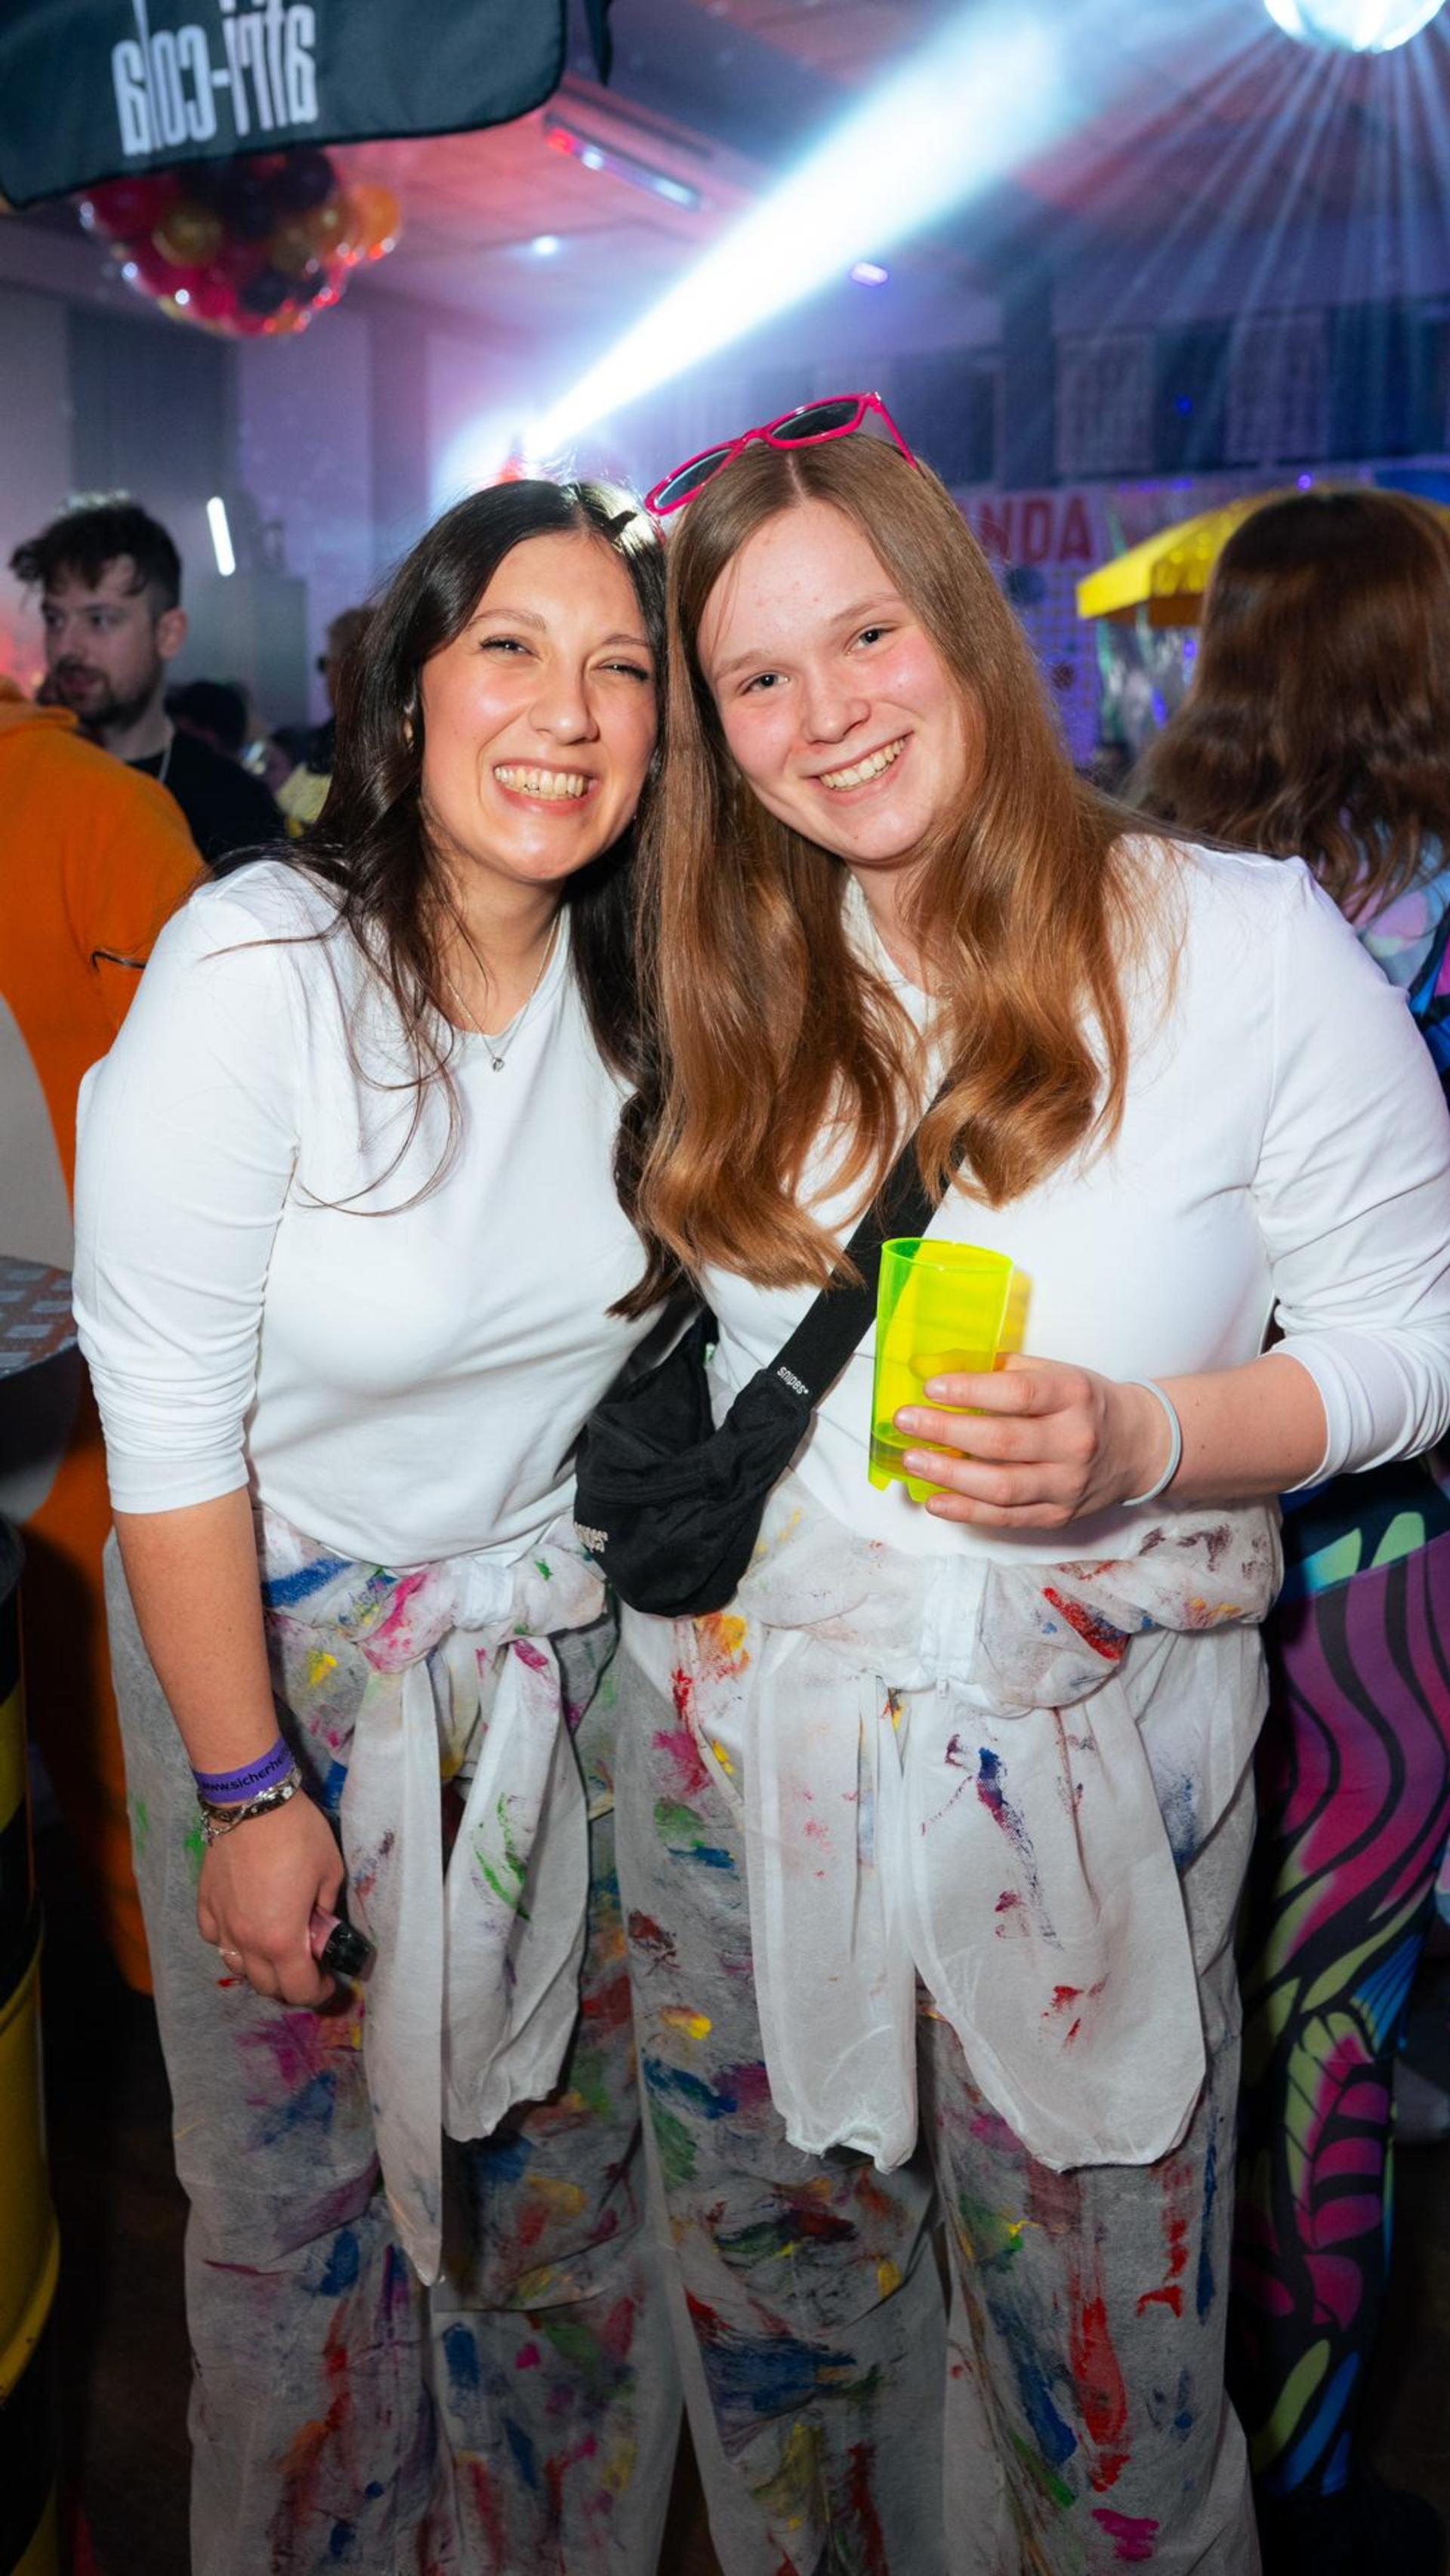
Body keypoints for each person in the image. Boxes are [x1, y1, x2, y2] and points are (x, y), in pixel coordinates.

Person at [608, 411, 1450, 2576]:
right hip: (739, 1802)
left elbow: (1418, 1334)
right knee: (795, 2366)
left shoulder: (1240, 943)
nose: (827, 714)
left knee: (1111, 2388)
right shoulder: (727, 971)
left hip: (1086, 1799)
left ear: (962, 625)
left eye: (866, 633)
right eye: (758, 679)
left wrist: (1149, 1437)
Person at [72, 480, 680, 2576]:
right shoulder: (261, 967)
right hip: (274, 1664)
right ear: (407, 690)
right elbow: (162, 1424)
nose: (568, 709)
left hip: (548, 1679)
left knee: (557, 2216)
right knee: (303, 2233)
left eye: (623, 665)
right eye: (510, 645)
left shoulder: (658, 1004)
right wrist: (253, 1791)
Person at [1128, 485, 1450, 2576]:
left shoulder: (1154, 915)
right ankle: (1296, 2494)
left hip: (1157, 1554)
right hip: (1381, 1588)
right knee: (1327, 2044)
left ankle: (1160, 2470)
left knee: (1167, 2025)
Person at [0, 673, 199, 1989]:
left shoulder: (100, 816)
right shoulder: (101, 811)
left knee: (126, 1742)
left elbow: (212, 1118)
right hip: (73, 1375)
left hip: (105, 1378)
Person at [11, 498, 282, 873]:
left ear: (169, 633)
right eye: (55, 619)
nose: (67, 647)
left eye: (100, 619)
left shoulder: (234, 807)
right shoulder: (20, 782)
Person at [276, 602, 378, 835]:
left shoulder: (358, 745)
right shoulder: (328, 738)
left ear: (351, 667)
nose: (326, 676)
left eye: (326, 663)